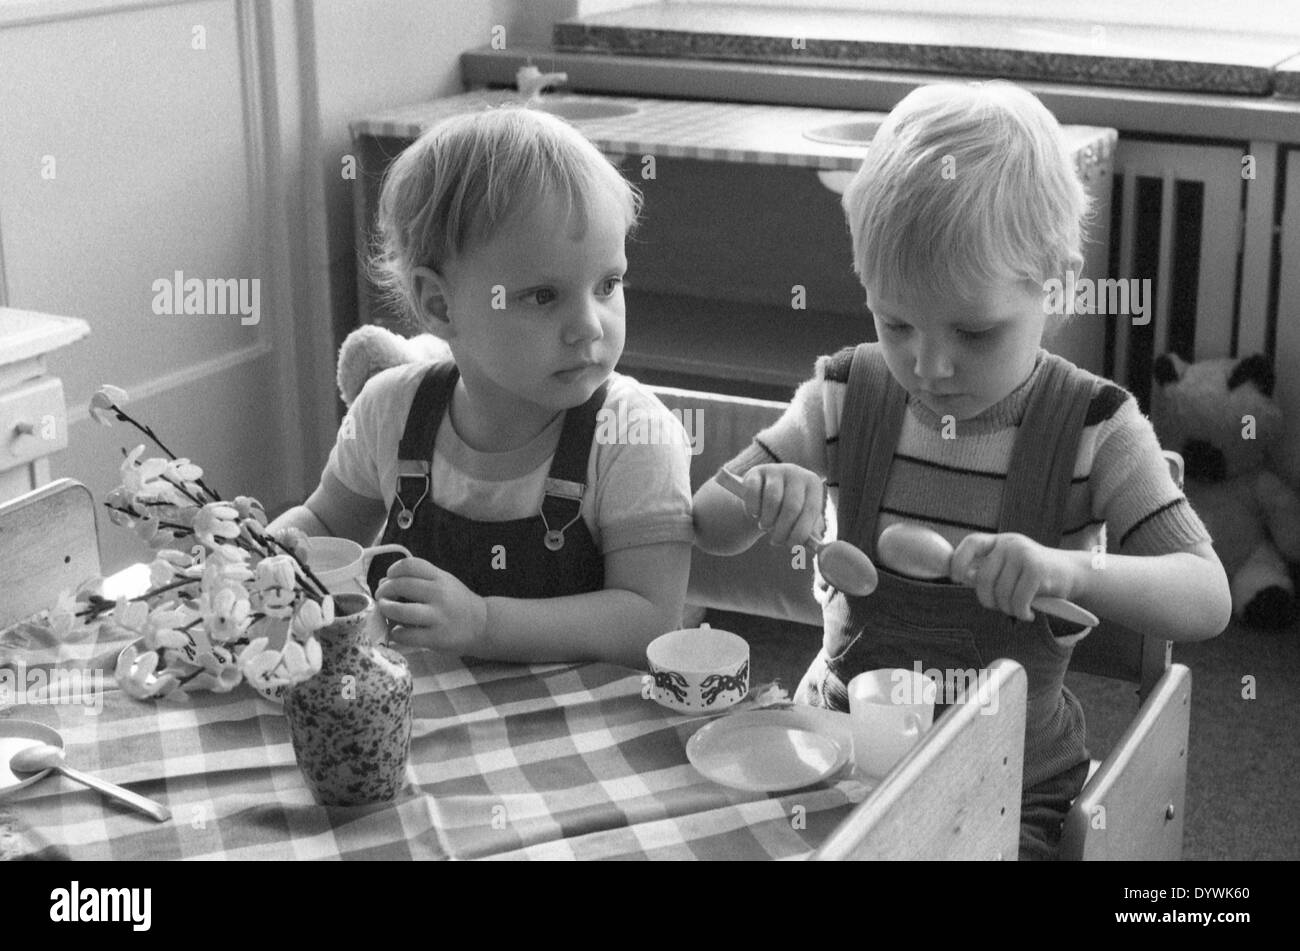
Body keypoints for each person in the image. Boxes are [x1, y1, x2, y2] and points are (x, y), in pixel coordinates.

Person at [691, 81, 1232, 859]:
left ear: (1061, 287)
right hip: (835, 749)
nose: (930, 364)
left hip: (1008, 783)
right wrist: (767, 494)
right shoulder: (847, 393)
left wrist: (1074, 573)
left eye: (975, 332)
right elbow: (709, 523)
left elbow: (1207, 597)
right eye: (895, 321)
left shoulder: (1095, 429)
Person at [269, 107, 693, 669]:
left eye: (607, 284)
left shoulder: (631, 436)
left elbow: (649, 620)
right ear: (440, 305)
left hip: (577, 735)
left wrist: (484, 623)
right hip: (420, 722)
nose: (590, 325)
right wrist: (259, 554)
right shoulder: (391, 411)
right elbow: (324, 525)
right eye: (543, 296)